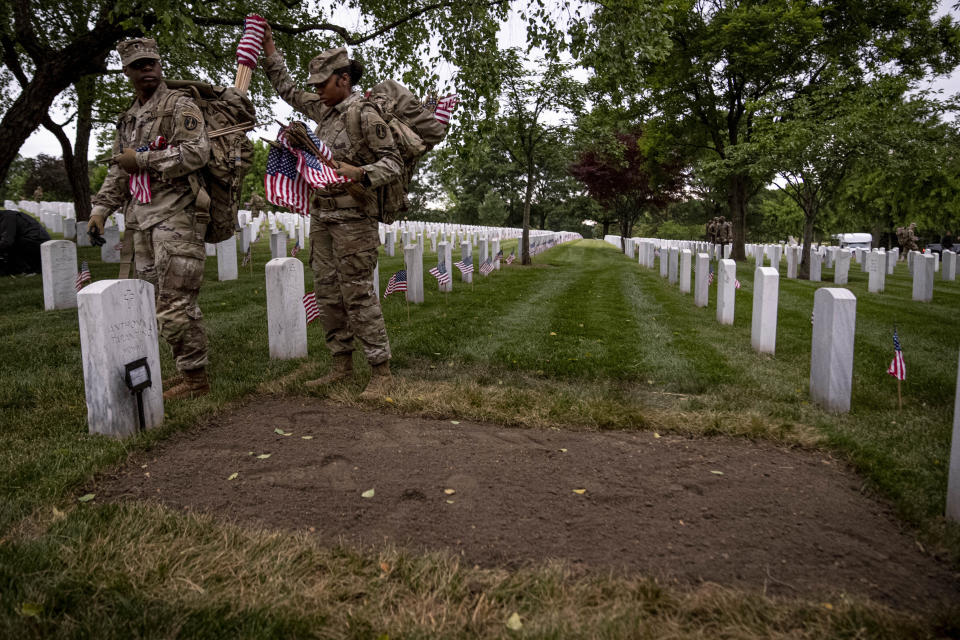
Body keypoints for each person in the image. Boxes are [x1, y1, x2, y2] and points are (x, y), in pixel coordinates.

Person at [260, 24, 402, 399]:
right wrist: (271, 51)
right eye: (317, 84)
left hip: (354, 218)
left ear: (343, 79)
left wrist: (361, 173)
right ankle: (340, 364)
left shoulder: (364, 114)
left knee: (357, 293)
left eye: (323, 82)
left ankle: (381, 370)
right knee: (326, 292)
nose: (318, 89)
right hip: (322, 215)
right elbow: (288, 90)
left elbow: (394, 164)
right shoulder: (322, 110)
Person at [88, 37, 213, 400]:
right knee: (157, 303)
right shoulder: (129, 118)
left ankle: (196, 380)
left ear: (160, 65)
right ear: (126, 71)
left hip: (177, 217)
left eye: (152, 63)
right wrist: (100, 210)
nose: (147, 70)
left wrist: (143, 160)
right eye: (139, 65)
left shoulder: (179, 106)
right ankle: (187, 370)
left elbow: (197, 153)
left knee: (176, 305)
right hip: (141, 221)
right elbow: (118, 170)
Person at [0, 209, 50, 275]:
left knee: (10, 246)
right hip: (28, 242)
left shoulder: (8, 217)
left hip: (37, 244)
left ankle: (28, 269)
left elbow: (7, 242)